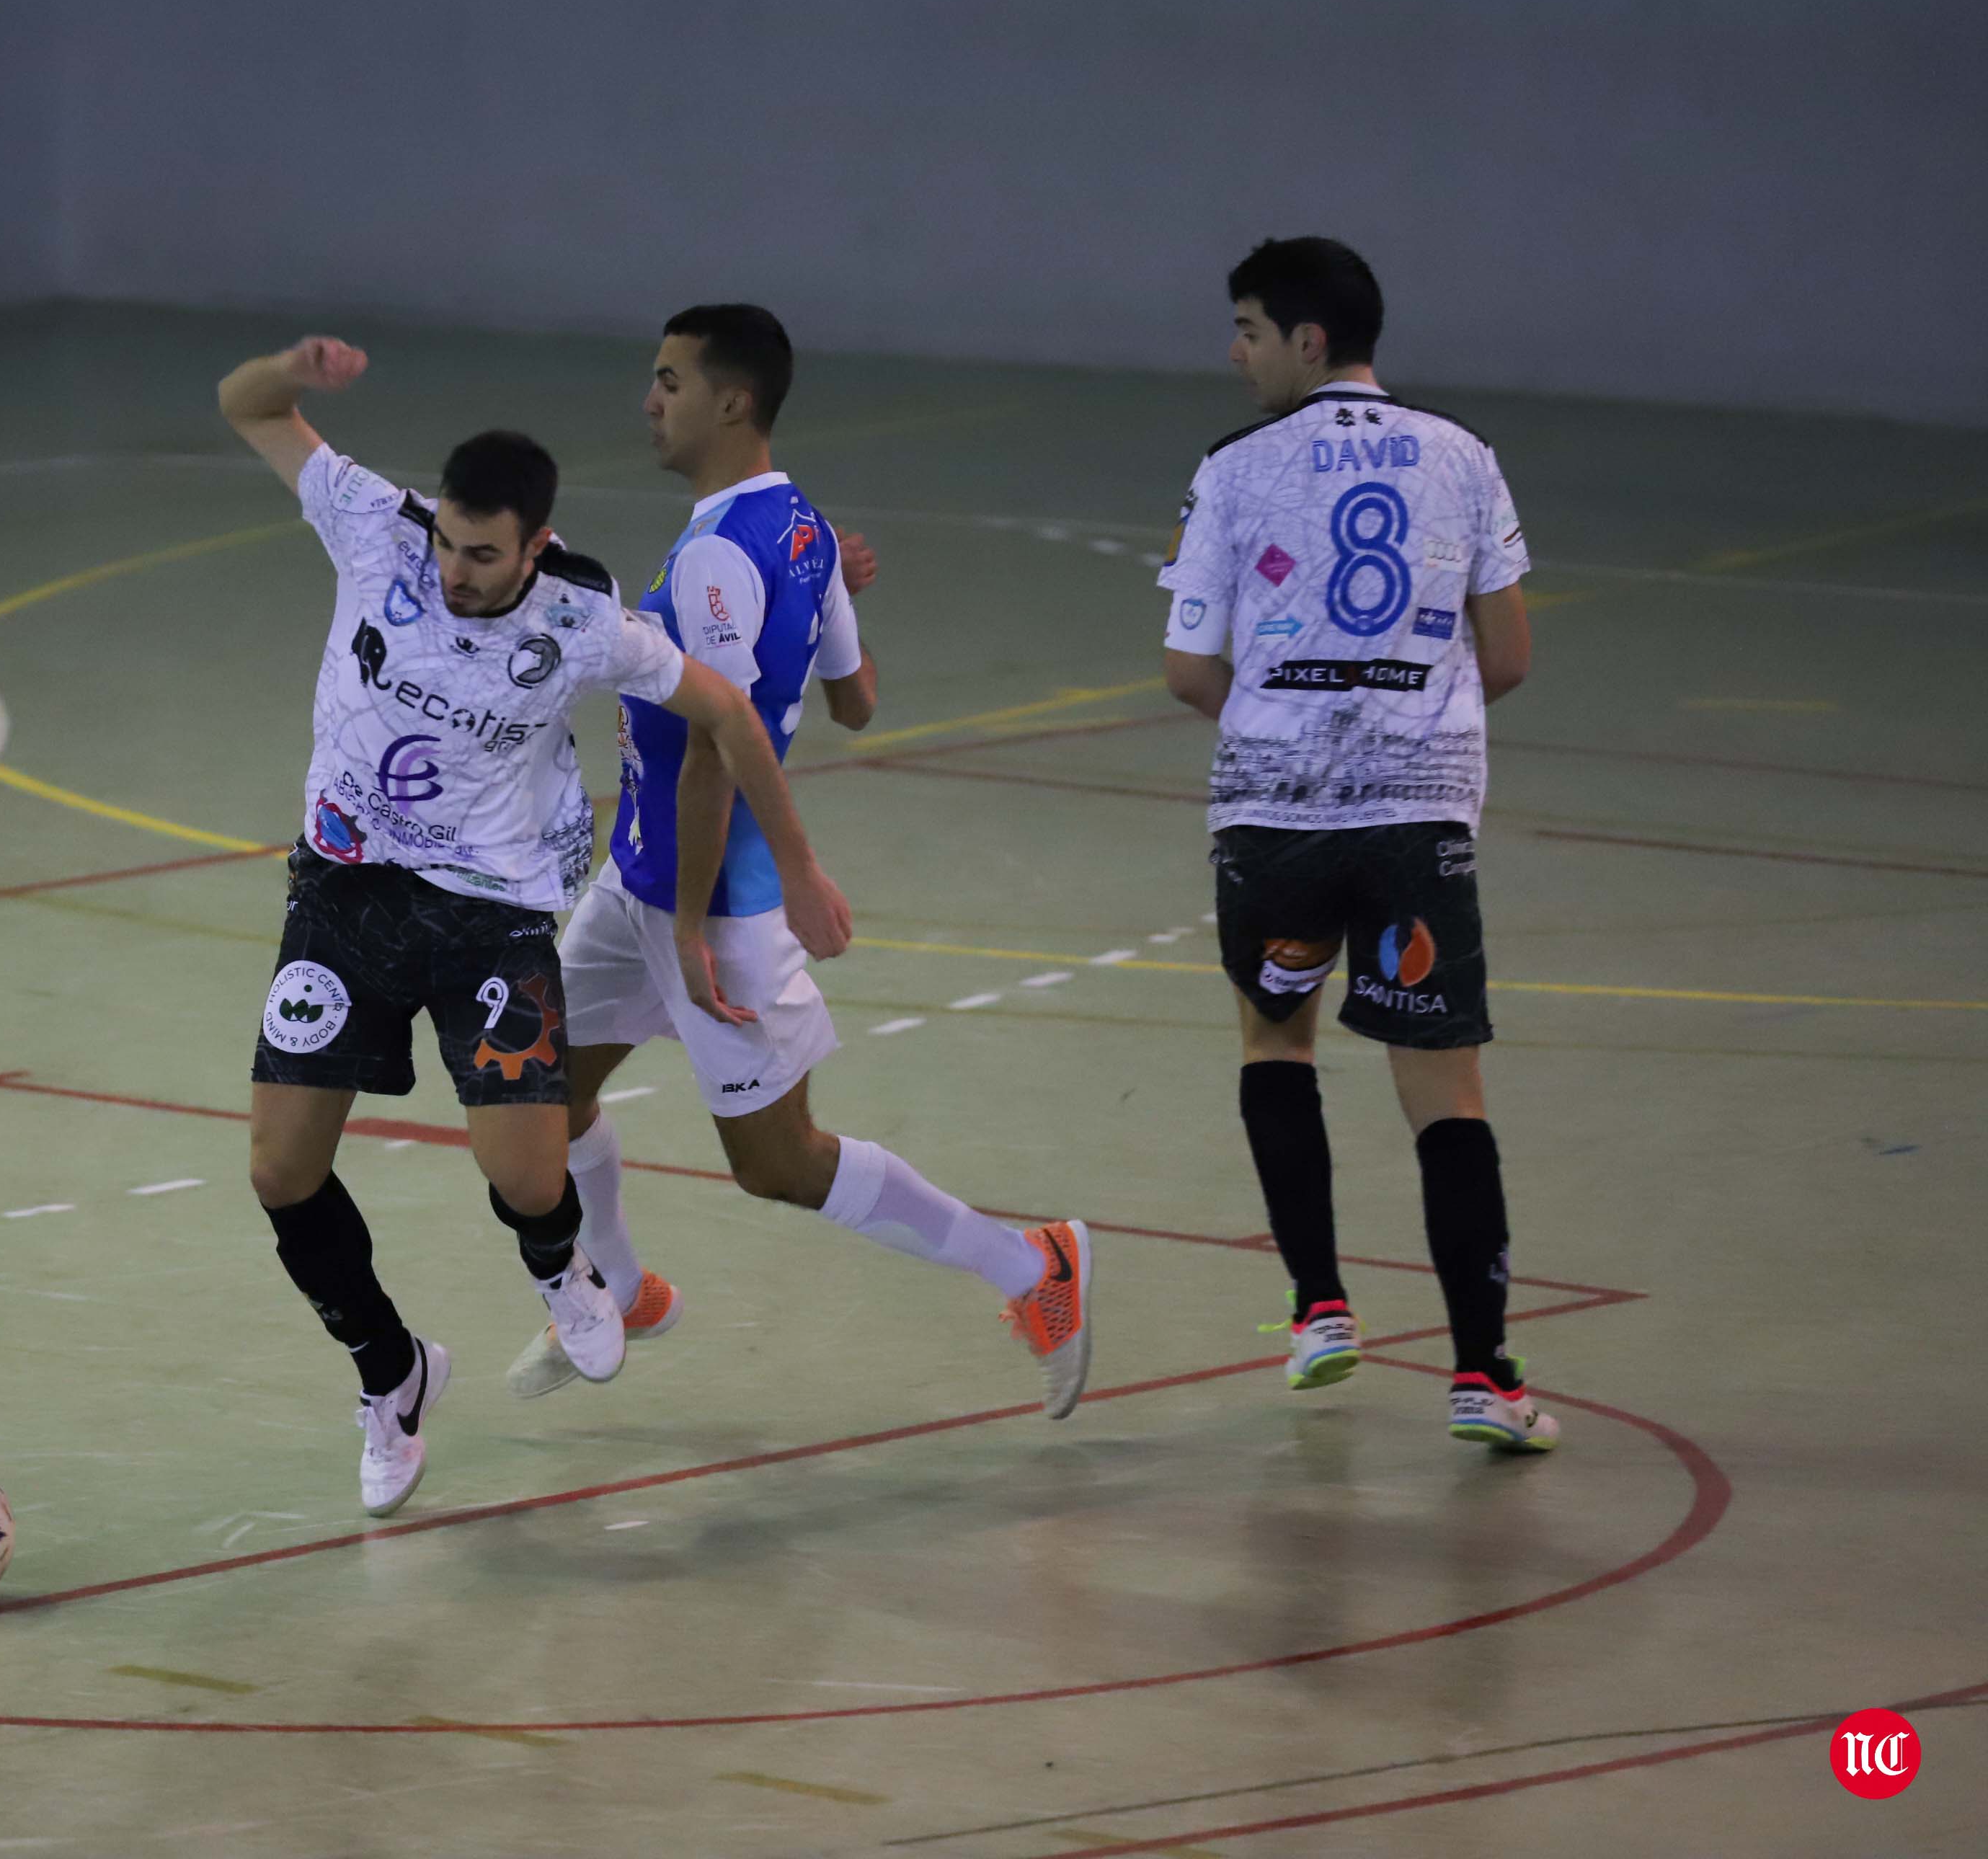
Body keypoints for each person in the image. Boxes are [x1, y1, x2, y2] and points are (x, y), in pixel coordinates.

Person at [218, 333, 855, 1516]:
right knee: (279, 1168)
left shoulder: (583, 621)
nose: (457, 573)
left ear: (536, 548)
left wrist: (803, 868)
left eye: (484, 557)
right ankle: (391, 1374)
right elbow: (245, 408)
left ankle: (561, 1269)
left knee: (522, 1168)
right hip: (346, 894)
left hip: (494, 909)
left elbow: (728, 717)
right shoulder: (374, 525)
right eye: (450, 546)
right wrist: (295, 368)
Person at [510, 303, 1096, 1419]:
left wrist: (709, 917)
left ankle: (1034, 1266)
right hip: (638, 884)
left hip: (713, 903)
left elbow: (720, 746)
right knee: (547, 1092)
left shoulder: (724, 551)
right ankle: (621, 1289)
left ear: (734, 402)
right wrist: (829, 601)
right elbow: (859, 704)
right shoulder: (803, 533)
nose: (651, 400)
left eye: (671, 381)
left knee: (778, 1164)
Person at [1155, 237, 1555, 1452]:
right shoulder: (1466, 457)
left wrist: (1292, 718)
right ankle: (1484, 1374)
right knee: (1446, 1093)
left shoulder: (1232, 469)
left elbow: (1187, 667)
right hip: (1415, 816)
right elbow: (1510, 657)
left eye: (1248, 330)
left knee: (1279, 1041)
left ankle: (1320, 1308)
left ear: (1308, 341)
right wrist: (1401, 716)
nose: (1235, 354)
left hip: (1274, 818)